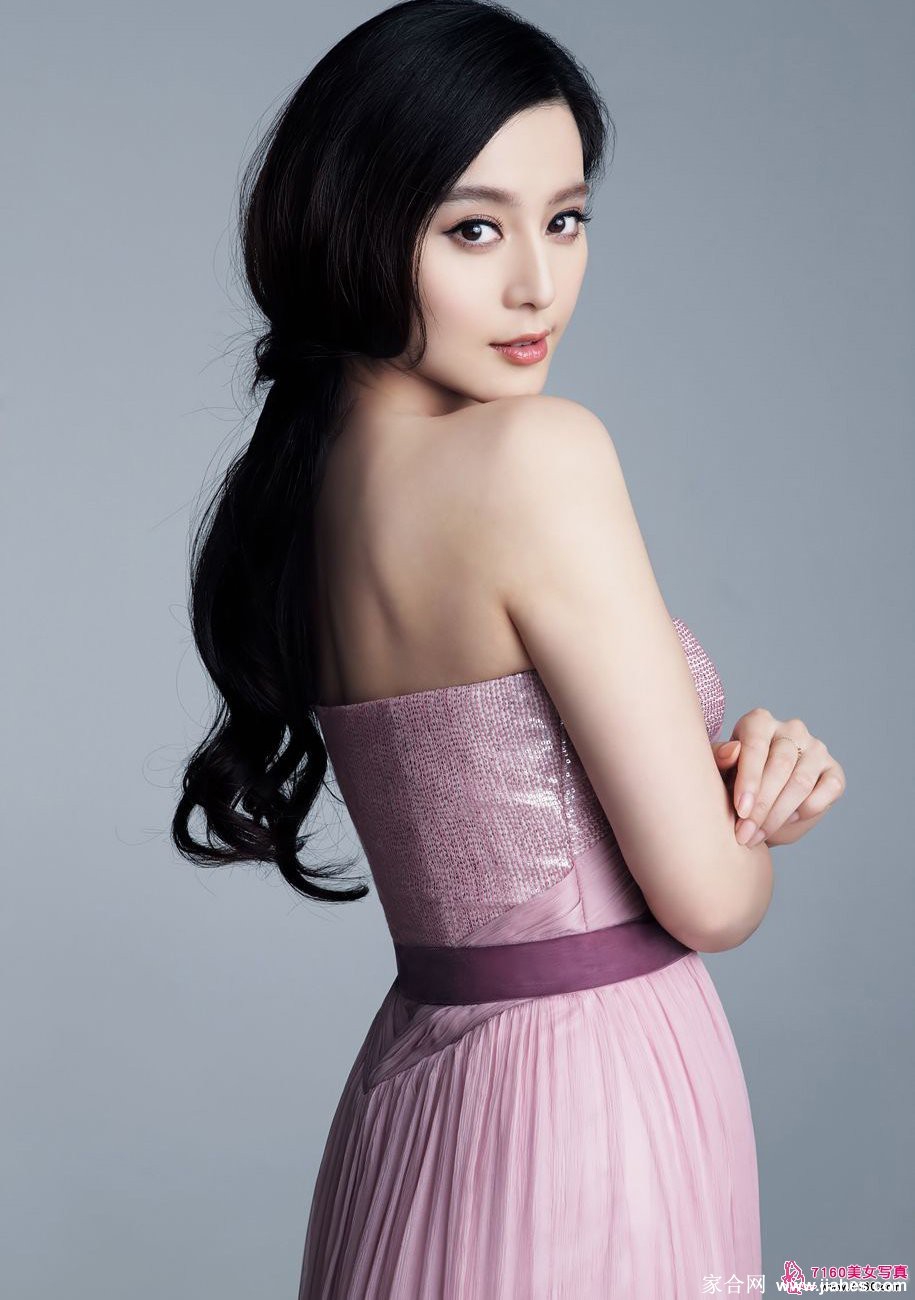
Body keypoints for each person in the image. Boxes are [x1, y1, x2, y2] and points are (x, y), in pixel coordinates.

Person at [171, 1, 846, 1295]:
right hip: (588, 1099)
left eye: (567, 219)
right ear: (357, 224)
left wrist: (718, 773)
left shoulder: (304, 505)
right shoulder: (537, 456)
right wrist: (760, 817)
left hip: (417, 1098)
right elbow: (711, 901)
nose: (539, 283)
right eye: (474, 228)